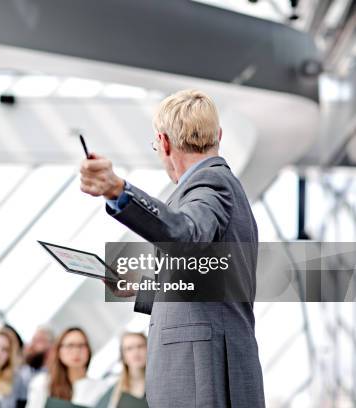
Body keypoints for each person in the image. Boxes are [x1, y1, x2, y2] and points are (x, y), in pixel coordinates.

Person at [79, 89, 265, 407]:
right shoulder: (220, 187)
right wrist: (141, 288)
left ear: (164, 142)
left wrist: (118, 191)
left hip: (203, 378)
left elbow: (186, 235)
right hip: (208, 372)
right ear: (217, 135)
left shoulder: (210, 184)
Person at [26, 327, 109, 408]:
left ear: (89, 350)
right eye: (70, 346)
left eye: (81, 346)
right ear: (59, 351)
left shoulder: (101, 388)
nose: (76, 351)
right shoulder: (43, 383)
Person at [13, 326, 54, 405]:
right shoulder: (23, 369)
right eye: (33, 339)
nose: (32, 344)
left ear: (51, 346)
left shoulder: (51, 374)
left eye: (39, 340)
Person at [106, 333, 146, 408]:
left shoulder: (162, 379)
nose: (136, 352)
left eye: (140, 346)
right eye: (129, 348)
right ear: (123, 357)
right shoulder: (118, 392)